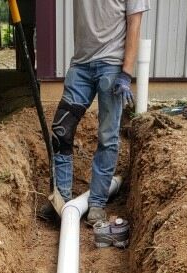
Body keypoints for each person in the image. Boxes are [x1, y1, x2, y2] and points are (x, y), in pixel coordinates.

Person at [42, 0, 149, 226]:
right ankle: (61, 199)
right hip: (80, 66)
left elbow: (134, 23)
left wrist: (126, 73)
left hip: (112, 66)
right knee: (61, 131)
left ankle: (97, 203)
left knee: (107, 136)